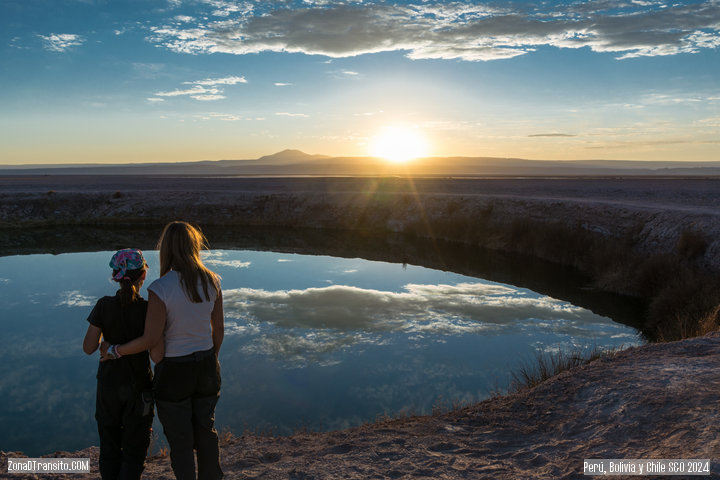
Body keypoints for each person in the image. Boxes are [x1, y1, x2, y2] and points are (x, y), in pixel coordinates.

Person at [102, 221, 224, 480]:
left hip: (174, 371)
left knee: (180, 441)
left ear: (166, 249)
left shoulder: (159, 288)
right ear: (194, 246)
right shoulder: (212, 280)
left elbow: (151, 340)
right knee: (206, 432)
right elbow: (219, 331)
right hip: (206, 366)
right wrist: (211, 359)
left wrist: (116, 350)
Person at [83, 248, 155, 480]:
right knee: (135, 447)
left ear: (115, 276)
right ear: (143, 274)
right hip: (140, 387)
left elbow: (88, 347)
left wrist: (109, 346)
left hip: (108, 386)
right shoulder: (149, 310)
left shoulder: (103, 305)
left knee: (109, 444)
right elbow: (155, 351)